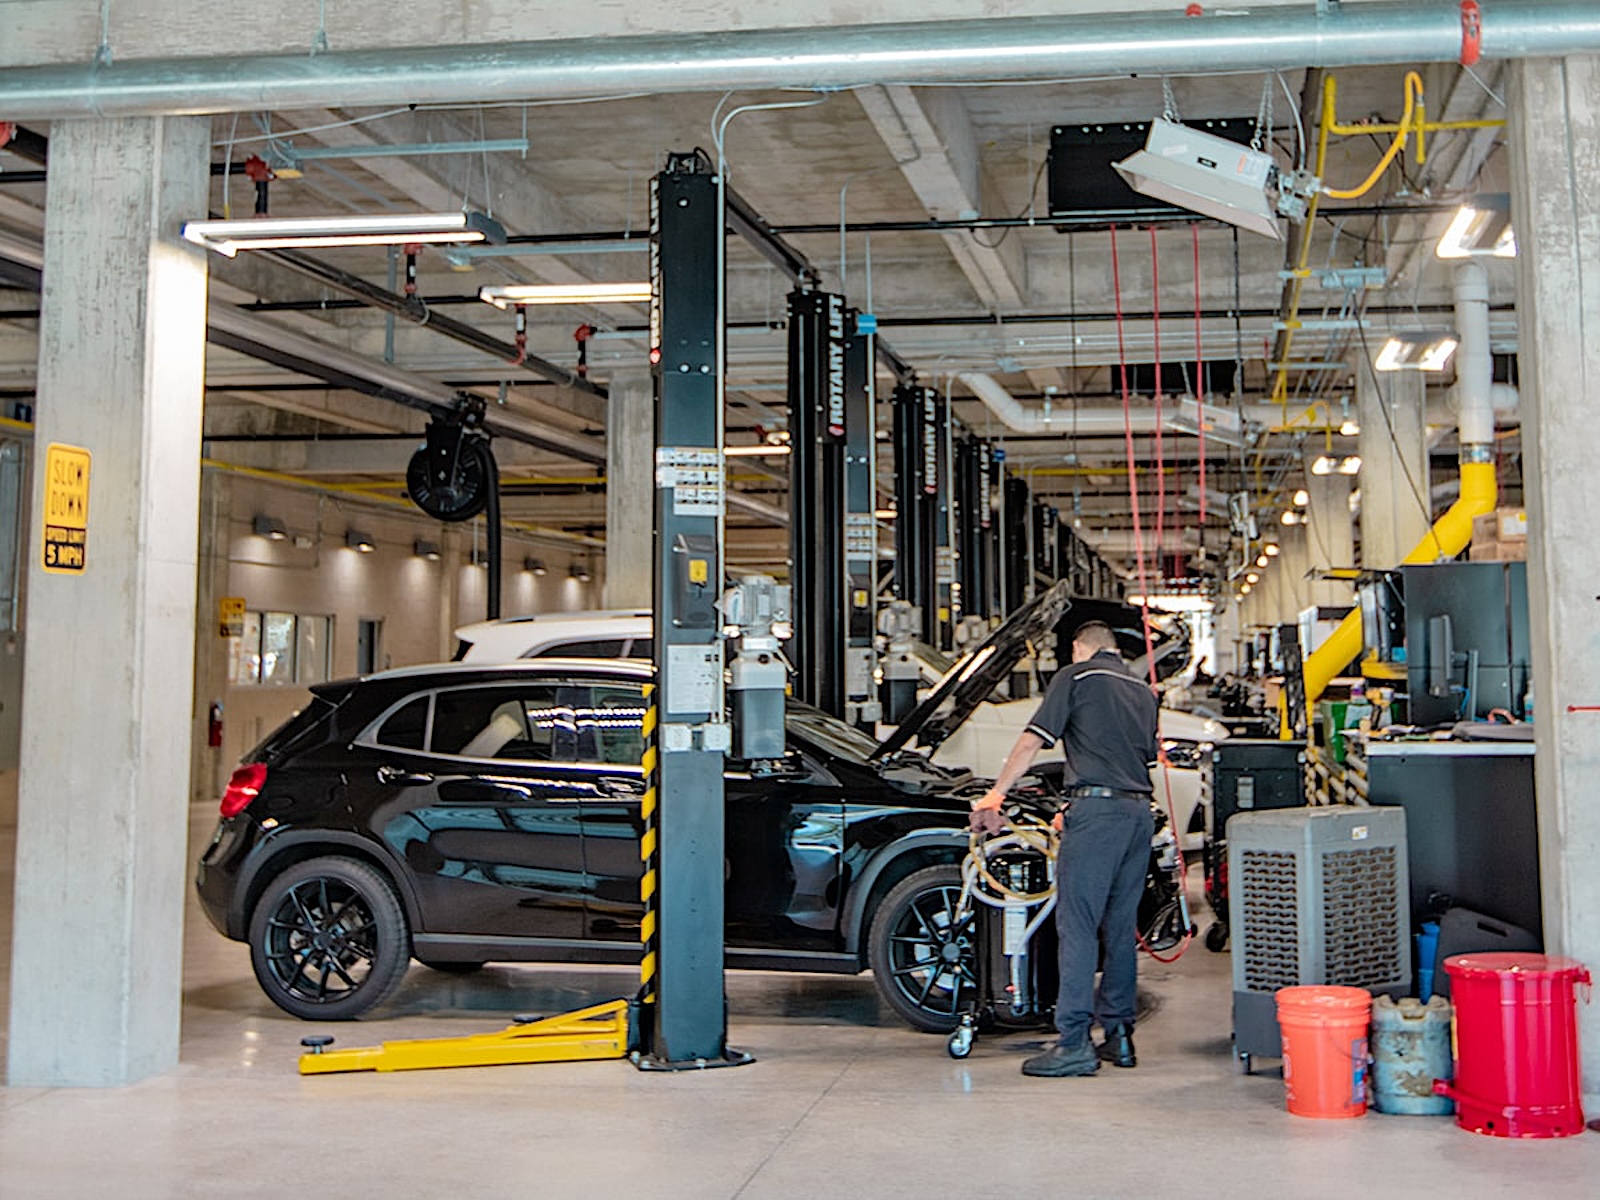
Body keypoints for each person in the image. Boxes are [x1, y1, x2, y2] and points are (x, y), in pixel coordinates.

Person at [969, 620, 1160, 1077]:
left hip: (1098, 821)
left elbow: (1033, 740)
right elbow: (1135, 759)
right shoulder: (1142, 691)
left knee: (1076, 927)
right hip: (1137, 818)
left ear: (1079, 648)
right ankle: (1119, 1036)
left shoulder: (1075, 676)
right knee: (1118, 930)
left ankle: (1073, 1042)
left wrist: (996, 794)